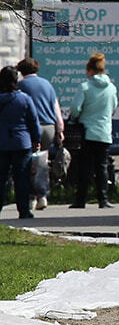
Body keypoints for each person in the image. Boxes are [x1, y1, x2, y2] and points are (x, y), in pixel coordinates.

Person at [69, 53, 118, 209]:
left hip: (87, 132)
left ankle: (80, 200)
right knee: (102, 166)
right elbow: (114, 106)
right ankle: (103, 199)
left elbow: (76, 109)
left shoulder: (85, 86)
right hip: (104, 132)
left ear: (90, 70)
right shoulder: (111, 87)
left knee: (84, 166)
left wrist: (76, 117)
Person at [16, 58, 62, 210]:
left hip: (29, 128)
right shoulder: (47, 84)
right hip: (49, 127)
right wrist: (59, 129)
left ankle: (31, 198)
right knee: (42, 163)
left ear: (21, 71)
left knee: (29, 164)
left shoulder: (20, 85)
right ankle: (43, 195)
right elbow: (56, 108)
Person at [0, 66, 40, 219]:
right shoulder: (24, 98)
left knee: (1, 179)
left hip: (2, 143)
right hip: (21, 143)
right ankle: (23, 210)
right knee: (22, 178)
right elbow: (33, 121)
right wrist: (36, 139)